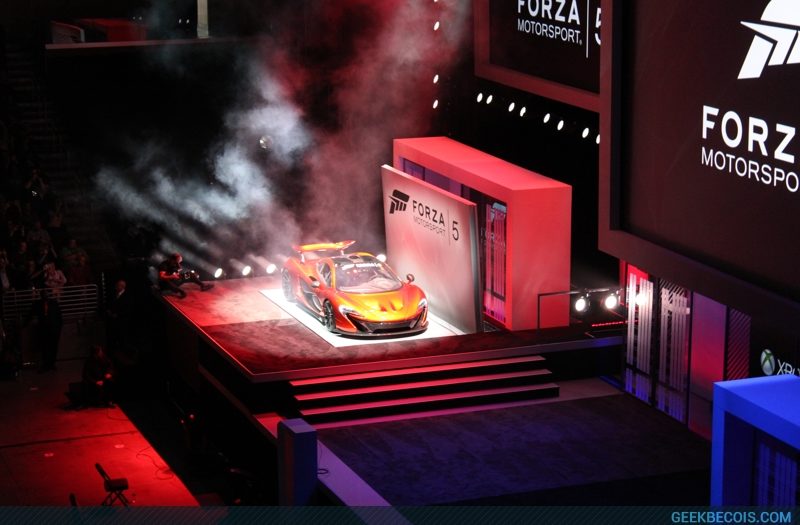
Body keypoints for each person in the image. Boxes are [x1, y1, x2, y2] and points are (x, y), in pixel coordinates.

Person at [28, 289, 62, 372]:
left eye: (46, 294)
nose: (45, 296)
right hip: (43, 329)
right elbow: (31, 314)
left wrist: (59, 328)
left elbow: (59, 315)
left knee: (53, 347)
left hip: (53, 328)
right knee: (45, 347)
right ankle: (46, 365)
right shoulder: (37, 304)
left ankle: (51, 364)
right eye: (43, 295)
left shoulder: (53, 303)